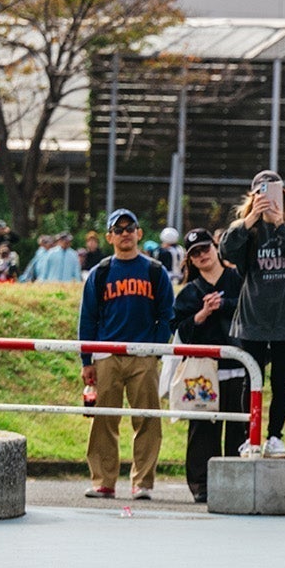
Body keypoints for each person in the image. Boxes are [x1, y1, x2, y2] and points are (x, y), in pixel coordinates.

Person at [76, 209, 174, 499]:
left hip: (143, 355)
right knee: (104, 420)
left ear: (139, 233)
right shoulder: (101, 273)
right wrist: (87, 360)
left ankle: (142, 482)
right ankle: (103, 481)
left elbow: (167, 315)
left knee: (147, 418)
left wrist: (154, 350)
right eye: (118, 230)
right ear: (109, 237)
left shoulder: (155, 271)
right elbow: (88, 318)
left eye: (130, 227)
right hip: (107, 354)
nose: (125, 233)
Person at [220, 170, 285, 457]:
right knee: (253, 379)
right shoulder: (246, 231)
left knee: (281, 380)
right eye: (262, 195)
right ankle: (252, 437)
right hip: (253, 318)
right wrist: (249, 221)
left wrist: (280, 226)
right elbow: (225, 251)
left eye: (275, 196)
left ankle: (275, 436)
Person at [173, 228, 245, 503]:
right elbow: (179, 329)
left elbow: (252, 309)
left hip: (239, 366)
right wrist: (201, 315)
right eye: (195, 253)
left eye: (205, 249)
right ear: (190, 260)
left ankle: (236, 483)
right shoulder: (190, 292)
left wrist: (224, 304)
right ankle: (201, 485)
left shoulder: (238, 279)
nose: (202, 255)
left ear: (216, 248)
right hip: (202, 371)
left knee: (239, 427)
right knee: (202, 429)